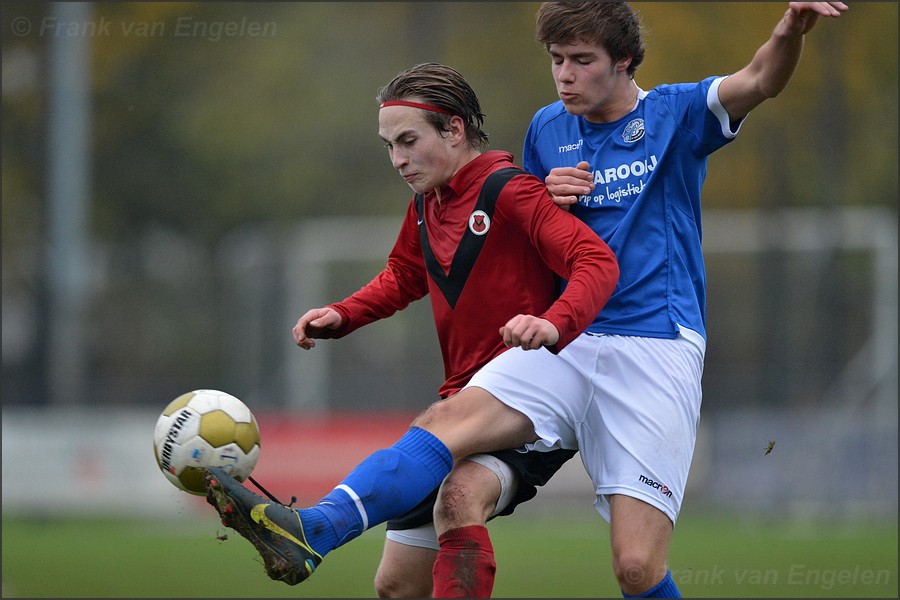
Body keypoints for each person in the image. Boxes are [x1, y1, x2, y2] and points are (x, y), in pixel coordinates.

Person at [423, 1, 849, 598]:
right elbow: (534, 247)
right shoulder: (547, 128)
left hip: (656, 342)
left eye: (581, 60)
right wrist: (546, 200)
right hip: (567, 339)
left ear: (624, 61)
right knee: (452, 469)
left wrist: (789, 29)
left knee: (637, 568)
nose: (565, 74)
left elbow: (759, 80)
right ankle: (326, 523)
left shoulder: (673, 113)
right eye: (556, 60)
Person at [203, 61, 619, 592]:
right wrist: (344, 313)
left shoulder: (512, 192)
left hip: (534, 394)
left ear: (454, 129)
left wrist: (553, 323)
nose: (398, 160)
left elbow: (597, 261)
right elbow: (404, 274)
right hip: (467, 393)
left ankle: (314, 528)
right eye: (389, 145)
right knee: (398, 584)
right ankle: (313, 531)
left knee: (457, 482)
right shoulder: (427, 202)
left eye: (408, 140)